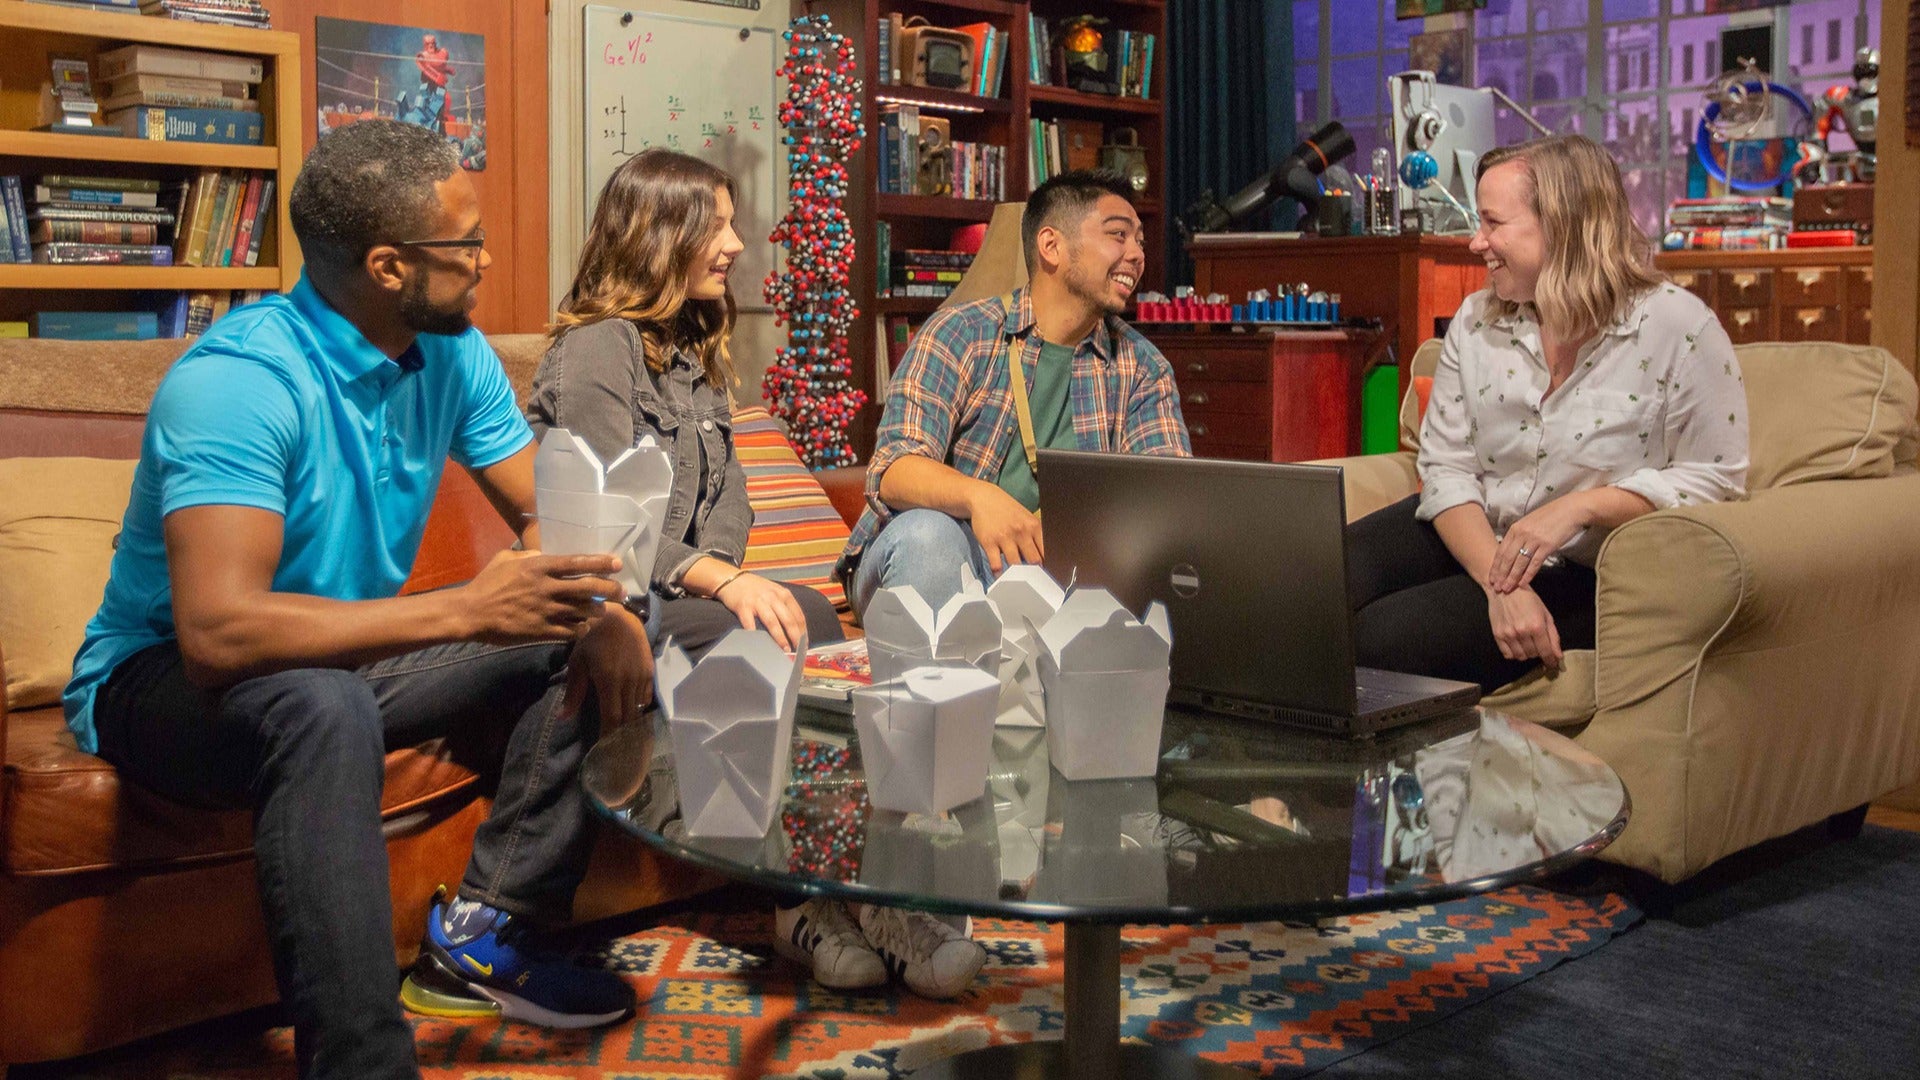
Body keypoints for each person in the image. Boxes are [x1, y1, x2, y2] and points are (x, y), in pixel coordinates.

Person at [63, 120, 645, 1080]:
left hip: (342, 658)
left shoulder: (449, 352)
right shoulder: (240, 382)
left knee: (575, 634)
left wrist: (603, 611)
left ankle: (485, 934)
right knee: (321, 705)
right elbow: (219, 633)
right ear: (386, 265)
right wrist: (464, 610)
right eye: (465, 245)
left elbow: (554, 517)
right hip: (163, 679)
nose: (487, 260)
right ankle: (363, 1065)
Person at [524, 147, 977, 1002]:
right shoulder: (598, 350)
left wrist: (728, 578)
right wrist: (721, 585)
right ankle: (824, 902)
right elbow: (603, 518)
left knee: (799, 611)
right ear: (662, 236)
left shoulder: (695, 353)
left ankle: (854, 897)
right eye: (718, 225)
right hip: (614, 605)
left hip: (683, 601)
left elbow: (730, 505)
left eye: (734, 221)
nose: (737, 242)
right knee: (775, 625)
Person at [1346, 134, 1749, 692]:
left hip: (1592, 570)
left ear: (1563, 226)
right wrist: (1500, 587)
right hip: (1481, 534)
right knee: (1317, 587)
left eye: (1493, 223)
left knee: (1380, 641)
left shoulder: (1679, 330)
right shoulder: (1476, 318)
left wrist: (1581, 507)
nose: (1475, 242)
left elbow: (1718, 483)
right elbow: (1447, 469)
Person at [840, 168, 1192, 616]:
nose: (1136, 254)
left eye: (1139, 241)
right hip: (948, 557)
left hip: (1061, 576)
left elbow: (1167, 497)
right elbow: (893, 469)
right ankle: (946, 685)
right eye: (1118, 235)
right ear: (1051, 246)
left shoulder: (1144, 367)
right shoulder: (961, 334)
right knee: (930, 535)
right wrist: (980, 497)